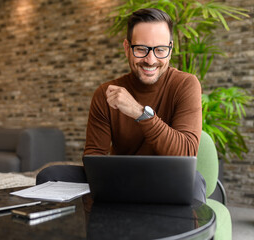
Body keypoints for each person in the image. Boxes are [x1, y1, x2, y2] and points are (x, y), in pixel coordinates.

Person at [37, 8, 206, 203]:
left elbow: (185, 153)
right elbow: (94, 157)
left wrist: (138, 112)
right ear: (127, 48)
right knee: (50, 176)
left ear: (170, 48)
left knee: (193, 181)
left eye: (160, 49)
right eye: (141, 49)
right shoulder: (106, 93)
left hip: (166, 180)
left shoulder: (186, 84)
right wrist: (110, 179)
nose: (151, 60)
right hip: (120, 180)